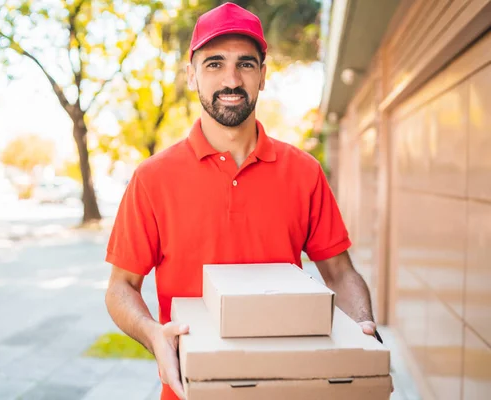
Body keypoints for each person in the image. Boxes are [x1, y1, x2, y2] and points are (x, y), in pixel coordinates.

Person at [105, 3, 381, 399]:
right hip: (192, 391)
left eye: (246, 65)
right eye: (214, 64)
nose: (231, 80)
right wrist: (153, 334)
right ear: (191, 74)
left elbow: (340, 273)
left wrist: (362, 326)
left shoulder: (304, 172)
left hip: (290, 389)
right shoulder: (152, 178)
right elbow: (120, 287)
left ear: (263, 76)